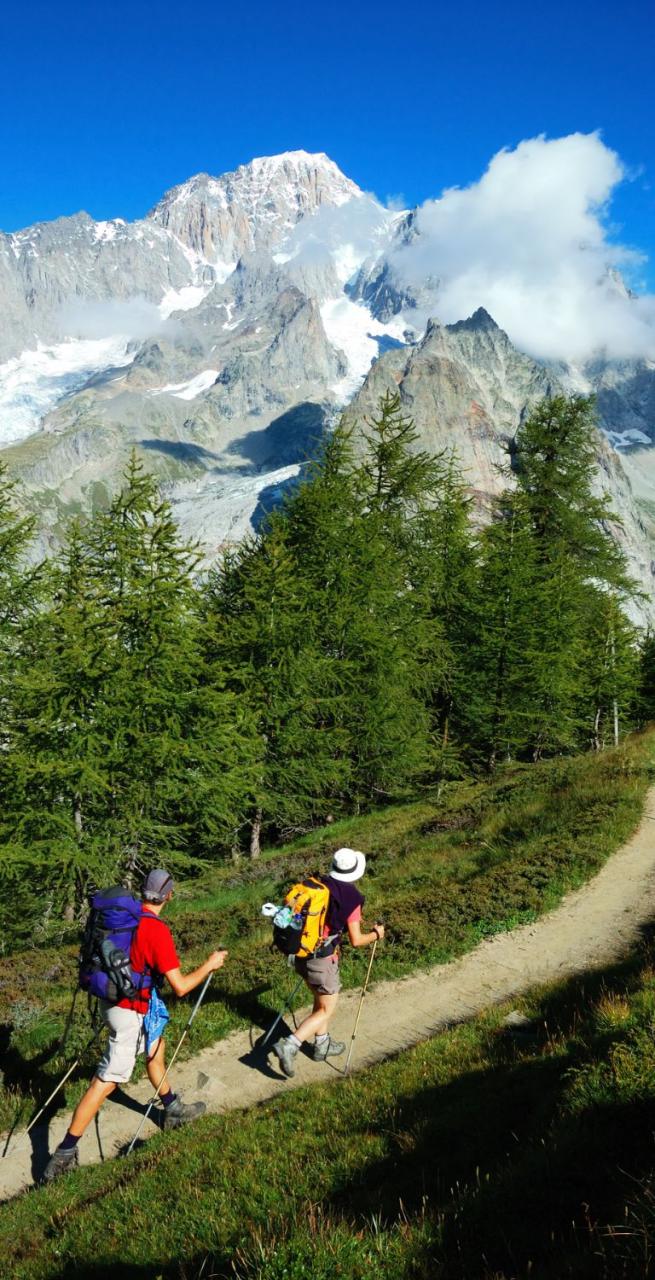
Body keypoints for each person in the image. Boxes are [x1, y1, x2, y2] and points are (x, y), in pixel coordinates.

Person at [42, 868, 227, 1181]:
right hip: (130, 1011)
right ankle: (63, 1155)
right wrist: (210, 965)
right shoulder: (156, 930)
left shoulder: (125, 917)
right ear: (169, 895)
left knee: (156, 1044)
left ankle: (171, 1108)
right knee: (107, 1079)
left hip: (111, 1002)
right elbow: (180, 987)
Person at [271, 847, 383, 1077]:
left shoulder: (319, 883)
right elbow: (357, 939)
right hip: (322, 961)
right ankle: (290, 1045)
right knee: (326, 1009)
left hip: (301, 955)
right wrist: (377, 934)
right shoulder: (352, 898)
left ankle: (322, 1045)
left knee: (320, 1002)